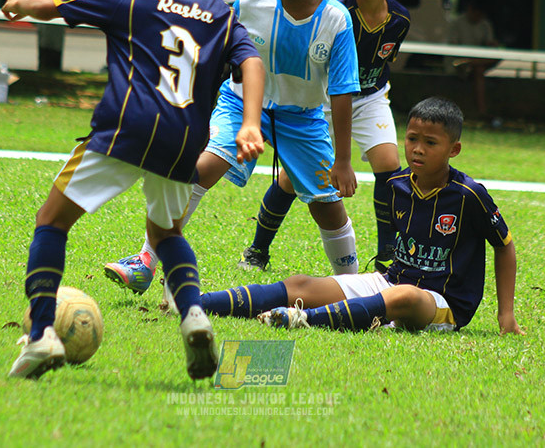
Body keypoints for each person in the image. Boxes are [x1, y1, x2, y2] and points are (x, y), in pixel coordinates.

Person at [2, 0, 265, 381]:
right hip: (185, 141)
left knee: (51, 221)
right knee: (167, 234)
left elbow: (53, 5)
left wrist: (21, 5)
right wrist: (250, 123)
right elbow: (251, 61)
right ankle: (193, 315)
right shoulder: (221, 12)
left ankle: (41, 334)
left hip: (127, 129)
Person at [103, 0, 362, 294]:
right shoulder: (249, 5)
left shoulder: (337, 20)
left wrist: (343, 161)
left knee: (326, 206)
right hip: (241, 104)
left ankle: (356, 288)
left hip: (303, 119)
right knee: (199, 168)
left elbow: (342, 94)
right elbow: (216, 61)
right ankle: (144, 261)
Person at [193, 97, 523, 336]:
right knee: (300, 283)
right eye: (412, 139)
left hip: (443, 305)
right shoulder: (396, 185)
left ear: (454, 150)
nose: (418, 149)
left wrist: (505, 315)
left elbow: (504, 246)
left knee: (403, 297)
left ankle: (303, 319)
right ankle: (196, 302)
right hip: (392, 282)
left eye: (430, 143)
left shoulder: (469, 194)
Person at [239, 0, 411, 274]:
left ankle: (387, 258)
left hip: (371, 97)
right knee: (292, 178)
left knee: (389, 166)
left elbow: (382, 64)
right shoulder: (338, 11)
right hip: (323, 101)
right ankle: (257, 249)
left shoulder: (400, 20)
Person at [446, 0, 501, 122]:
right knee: (478, 71)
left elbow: (490, 44)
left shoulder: (485, 24)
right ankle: (482, 110)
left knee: (481, 66)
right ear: (470, 9)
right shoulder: (457, 23)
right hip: (457, 60)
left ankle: (469, 64)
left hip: (476, 61)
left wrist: (492, 45)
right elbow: (453, 45)